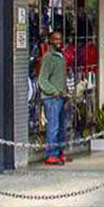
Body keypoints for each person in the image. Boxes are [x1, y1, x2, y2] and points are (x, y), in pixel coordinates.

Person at [38, 30, 69, 166]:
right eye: (55, 39)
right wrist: (54, 91)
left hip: (61, 97)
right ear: (50, 40)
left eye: (60, 39)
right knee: (53, 126)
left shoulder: (60, 56)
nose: (58, 41)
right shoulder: (48, 57)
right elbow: (42, 80)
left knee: (62, 127)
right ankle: (51, 154)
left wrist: (65, 94)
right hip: (52, 98)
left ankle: (60, 152)